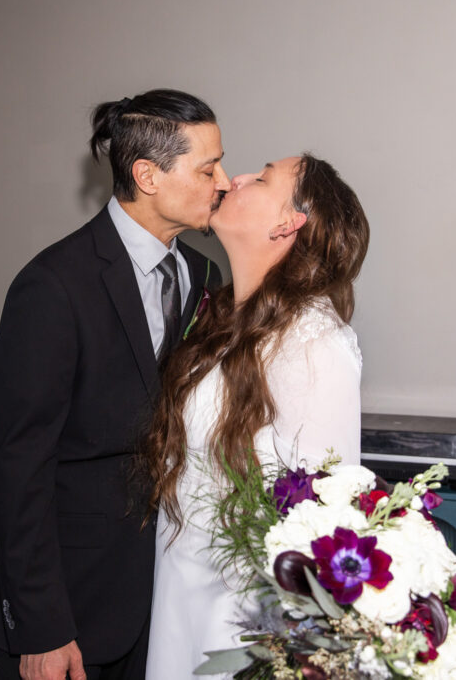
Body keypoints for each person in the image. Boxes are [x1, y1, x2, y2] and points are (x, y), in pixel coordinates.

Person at [0, 89, 229, 680]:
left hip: (165, 599)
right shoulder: (53, 286)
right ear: (148, 175)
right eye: (208, 167)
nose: (224, 181)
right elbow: (19, 464)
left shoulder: (204, 274)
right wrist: (42, 627)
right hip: (69, 604)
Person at [143, 154, 370, 678]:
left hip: (243, 617)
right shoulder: (216, 318)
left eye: (263, 178)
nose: (235, 178)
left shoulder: (315, 342)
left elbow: (326, 516)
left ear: (288, 222)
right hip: (179, 591)